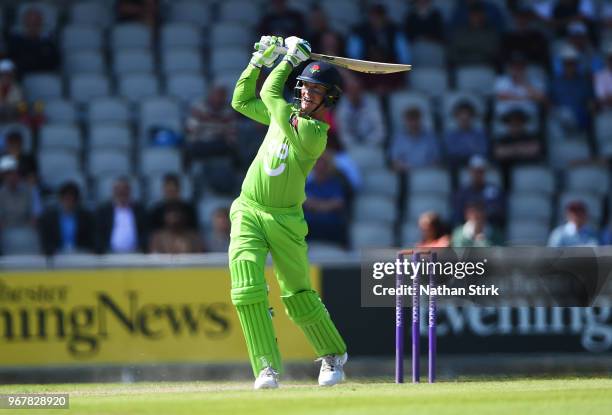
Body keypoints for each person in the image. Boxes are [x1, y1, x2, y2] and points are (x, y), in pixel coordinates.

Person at [229, 35, 347, 389]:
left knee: (296, 294)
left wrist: (287, 59)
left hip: (285, 220)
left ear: (329, 99)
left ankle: (332, 355)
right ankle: (266, 368)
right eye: (305, 86)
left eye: (316, 90)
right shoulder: (286, 114)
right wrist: (257, 62)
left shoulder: (314, 133)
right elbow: (241, 100)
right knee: (246, 287)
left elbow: (268, 95)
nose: (308, 93)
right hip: (248, 208)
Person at [304, 151, 349, 247]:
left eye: (322, 163)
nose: (319, 166)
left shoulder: (335, 184)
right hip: (310, 224)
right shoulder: (308, 185)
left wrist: (317, 206)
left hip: (332, 223)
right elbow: (305, 202)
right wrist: (327, 205)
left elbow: (339, 203)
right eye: (317, 163)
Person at [38, 181, 94, 255]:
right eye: (66, 199)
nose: (68, 202)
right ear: (60, 199)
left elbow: (91, 241)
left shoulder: (86, 217)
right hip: (56, 257)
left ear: (76, 201)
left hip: (80, 255)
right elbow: (45, 242)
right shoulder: (49, 218)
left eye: (72, 199)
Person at [95, 177, 148, 254]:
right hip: (109, 255)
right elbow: (99, 234)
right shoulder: (103, 212)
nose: (121, 191)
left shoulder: (140, 211)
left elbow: (145, 233)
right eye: (118, 189)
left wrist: (142, 247)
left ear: (129, 190)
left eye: (124, 188)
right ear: (113, 191)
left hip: (135, 255)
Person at [334, 75, 386, 149]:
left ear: (361, 89)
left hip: (373, 145)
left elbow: (380, 129)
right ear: (346, 91)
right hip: (352, 147)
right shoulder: (341, 106)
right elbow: (343, 133)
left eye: (356, 89)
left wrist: (369, 142)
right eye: (350, 90)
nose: (354, 93)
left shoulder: (372, 102)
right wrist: (353, 144)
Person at [453, 156, 505, 227]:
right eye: (475, 171)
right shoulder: (462, 192)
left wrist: (481, 215)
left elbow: (499, 212)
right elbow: (458, 214)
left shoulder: (495, 191)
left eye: (480, 171)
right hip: (467, 228)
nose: (477, 174)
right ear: (470, 172)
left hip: (489, 228)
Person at [7, 6, 60, 76]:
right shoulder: (15, 42)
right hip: (21, 77)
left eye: (35, 23)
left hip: (44, 76)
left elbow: (54, 62)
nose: (32, 26)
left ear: (40, 23)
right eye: (30, 23)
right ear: (25, 23)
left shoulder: (48, 42)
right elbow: (12, 62)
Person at [448, 2, 500, 68]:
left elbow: (493, 52)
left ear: (483, 15)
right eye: (473, 14)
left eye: (478, 14)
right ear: (469, 15)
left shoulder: (492, 32)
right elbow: (453, 52)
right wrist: (479, 48)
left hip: (485, 67)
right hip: (463, 66)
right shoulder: (459, 32)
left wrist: (467, 50)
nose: (476, 17)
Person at [390, 106, 440, 172]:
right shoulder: (398, 139)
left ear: (420, 119)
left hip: (428, 174)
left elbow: (436, 161)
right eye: (410, 120)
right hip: (406, 174)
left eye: (416, 119)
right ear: (405, 121)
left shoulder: (431, 137)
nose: (413, 123)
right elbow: (395, 162)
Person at [443, 100, 488, 168]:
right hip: (457, 166)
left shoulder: (480, 134)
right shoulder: (450, 135)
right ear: (456, 117)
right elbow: (451, 153)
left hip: (477, 165)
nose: (464, 117)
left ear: (472, 117)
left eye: (468, 115)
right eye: (461, 115)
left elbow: (483, 152)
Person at [0, 155, 36, 230]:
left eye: (13, 173)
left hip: (26, 231)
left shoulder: (29, 191)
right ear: (3, 176)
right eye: (7, 174)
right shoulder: (1, 194)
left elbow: (34, 217)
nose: (11, 176)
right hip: (6, 233)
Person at [594, 44, 612, 109]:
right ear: (607, 60)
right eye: (611, 58)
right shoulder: (600, 75)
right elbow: (602, 100)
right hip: (608, 111)